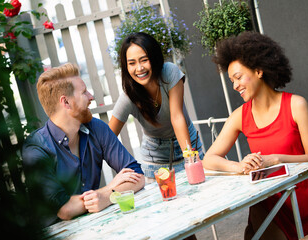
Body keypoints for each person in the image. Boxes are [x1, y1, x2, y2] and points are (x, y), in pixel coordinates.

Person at [202, 31, 308, 239]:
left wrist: (276, 159)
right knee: (259, 210)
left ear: (259, 71)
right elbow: (209, 159)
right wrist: (239, 166)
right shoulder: (239, 117)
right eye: (231, 80)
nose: (235, 86)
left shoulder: (296, 105)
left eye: (238, 77)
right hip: (272, 198)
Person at [22, 63, 145, 226]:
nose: (91, 96)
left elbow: (137, 177)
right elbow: (65, 209)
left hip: (98, 226)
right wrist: (108, 191)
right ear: (66, 102)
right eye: (84, 92)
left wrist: (106, 197)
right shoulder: (36, 149)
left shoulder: (97, 128)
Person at [109, 32, 204, 181]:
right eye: (132, 63)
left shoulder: (169, 72)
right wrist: (125, 168)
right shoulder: (129, 97)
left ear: (154, 58)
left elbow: (177, 117)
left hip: (188, 144)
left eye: (144, 60)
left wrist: (190, 158)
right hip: (155, 158)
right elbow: (108, 137)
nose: (139, 68)